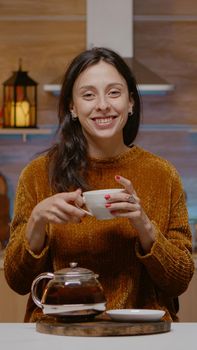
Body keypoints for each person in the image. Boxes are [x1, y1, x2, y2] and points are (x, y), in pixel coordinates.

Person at [4, 47, 194, 322]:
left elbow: (180, 281)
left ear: (130, 103)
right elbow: (17, 281)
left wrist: (143, 224)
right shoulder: (37, 174)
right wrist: (37, 220)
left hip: (142, 337)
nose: (102, 104)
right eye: (88, 95)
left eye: (114, 92)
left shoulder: (162, 174)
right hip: (60, 337)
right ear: (72, 106)